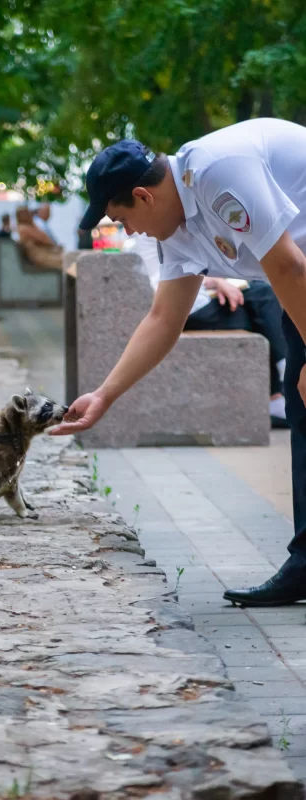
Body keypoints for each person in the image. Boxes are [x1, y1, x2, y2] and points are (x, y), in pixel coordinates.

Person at [50, 119, 306, 607]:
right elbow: (164, 318)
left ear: (143, 196)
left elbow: (288, 266)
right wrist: (105, 395)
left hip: (300, 270)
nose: (129, 231)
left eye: (122, 220)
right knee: (303, 404)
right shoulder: (177, 227)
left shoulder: (217, 171)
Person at [135, 233, 288, 427]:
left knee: (259, 297)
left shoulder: (152, 230)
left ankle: (278, 390)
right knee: (259, 307)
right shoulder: (161, 228)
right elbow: (187, 268)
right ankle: (284, 374)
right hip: (187, 310)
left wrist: (217, 281)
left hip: (189, 303)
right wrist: (218, 281)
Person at [15, 206, 63, 270]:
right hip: (37, 254)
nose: (26, 215)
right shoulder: (22, 228)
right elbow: (44, 239)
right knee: (65, 261)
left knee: (68, 259)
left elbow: (45, 238)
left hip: (44, 251)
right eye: (23, 214)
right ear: (18, 216)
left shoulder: (32, 225)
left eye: (27, 213)